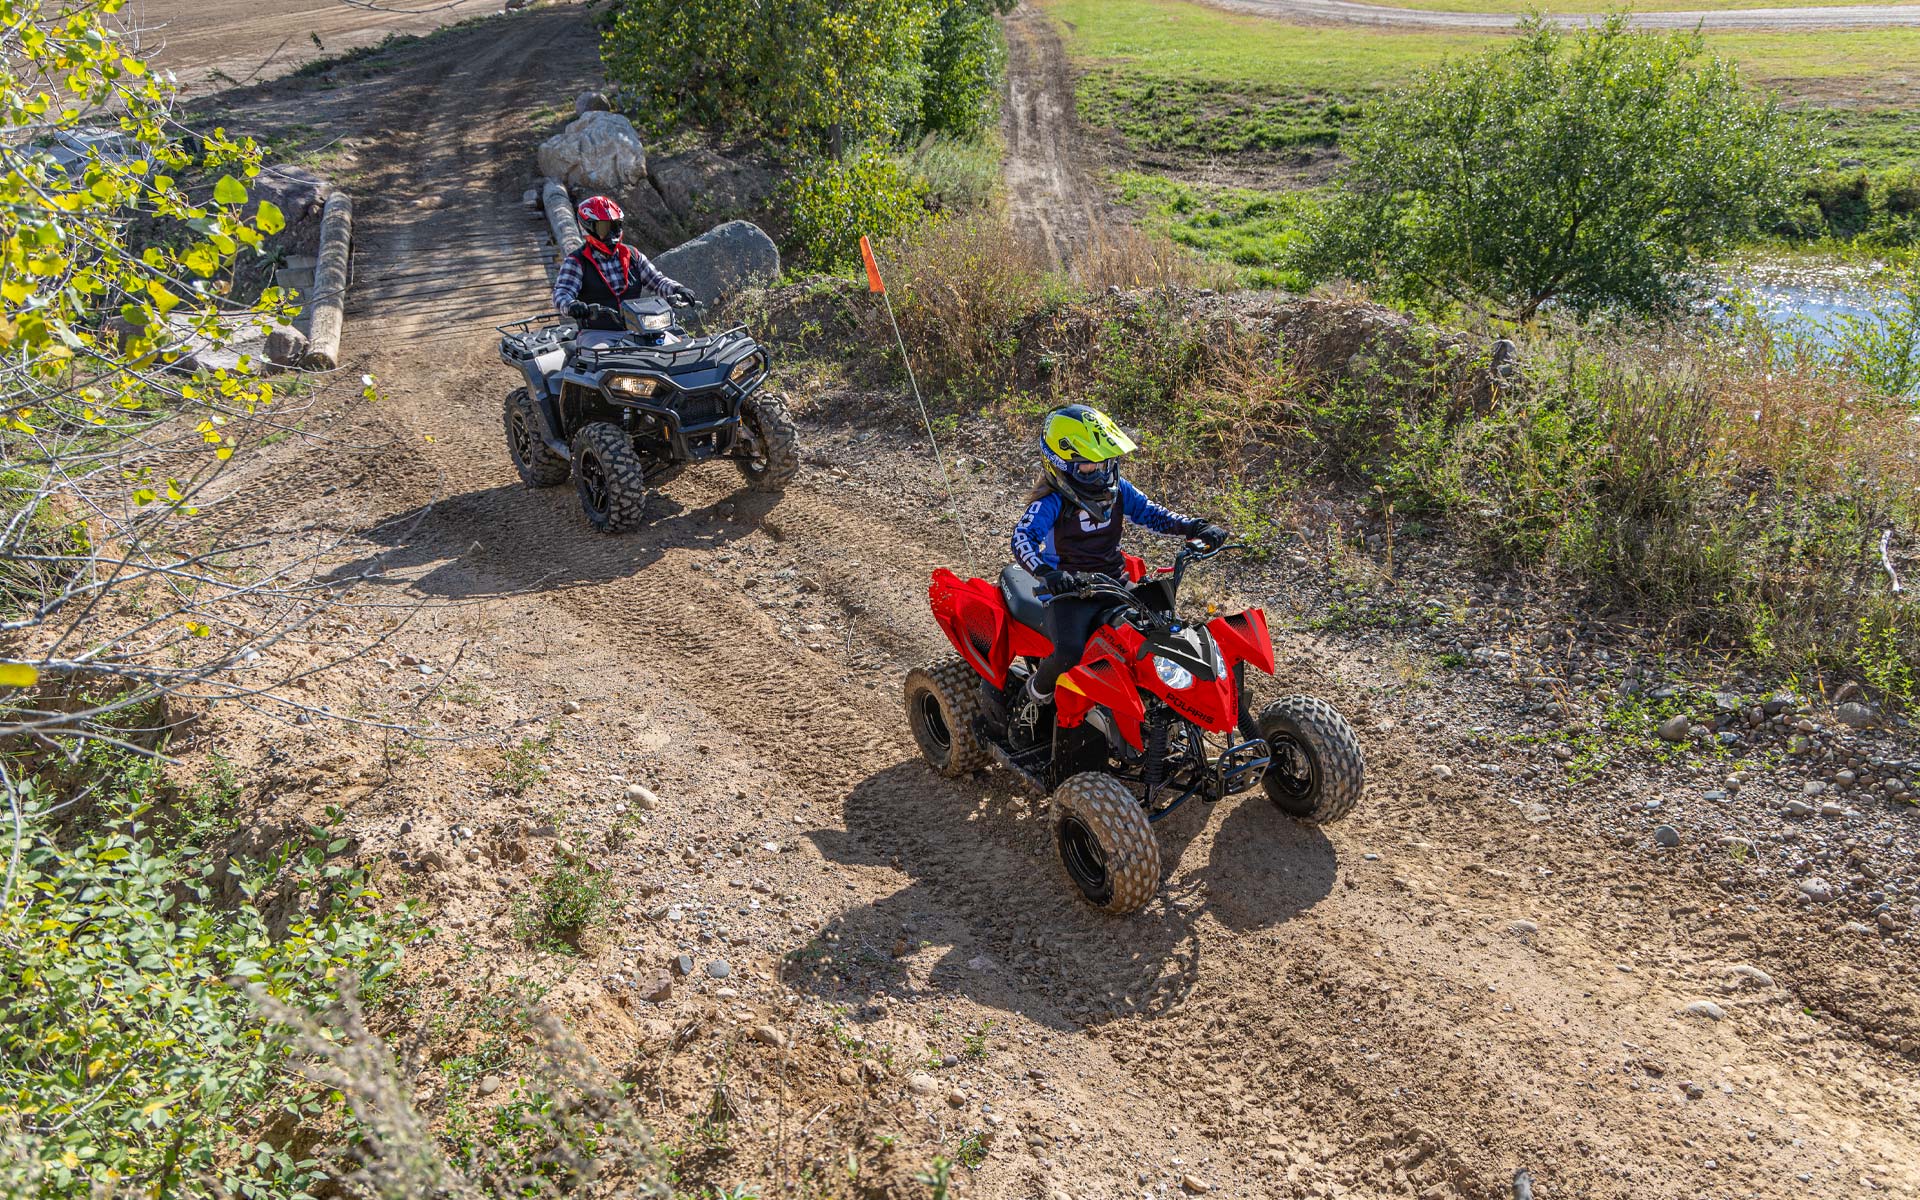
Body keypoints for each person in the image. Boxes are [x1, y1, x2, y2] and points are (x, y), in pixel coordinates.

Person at [1010, 403, 1228, 724]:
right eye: (1088, 465)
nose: (1099, 471)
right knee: (1069, 652)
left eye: (1104, 462)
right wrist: (1047, 573)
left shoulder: (1118, 490)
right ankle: (1032, 698)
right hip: (1069, 594)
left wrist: (1195, 527)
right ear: (1060, 465)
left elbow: (1152, 513)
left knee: (1164, 631)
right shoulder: (1052, 502)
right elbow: (1022, 538)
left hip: (1115, 584)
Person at [551, 196, 697, 348]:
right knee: (601, 357)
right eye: (604, 228)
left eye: (615, 226)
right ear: (588, 227)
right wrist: (571, 305)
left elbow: (657, 281)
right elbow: (561, 293)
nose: (611, 233)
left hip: (640, 331)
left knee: (679, 348)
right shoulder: (576, 261)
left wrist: (677, 289)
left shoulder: (632, 255)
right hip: (598, 334)